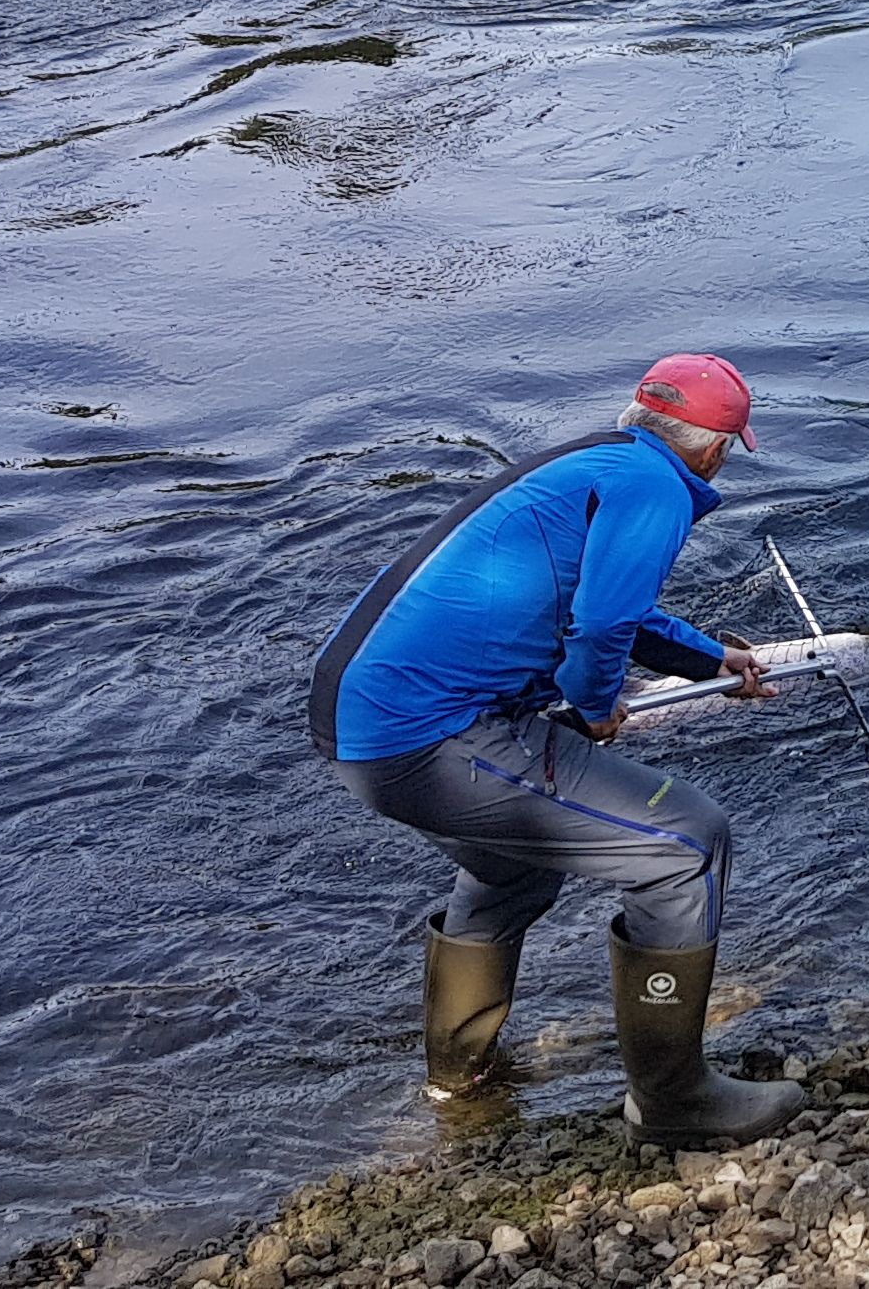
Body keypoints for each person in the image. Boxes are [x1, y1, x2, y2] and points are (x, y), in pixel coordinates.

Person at [307, 352, 807, 1149]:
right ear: (716, 450)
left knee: (513, 867)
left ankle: (457, 1082)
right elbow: (602, 626)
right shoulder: (655, 486)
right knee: (686, 845)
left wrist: (712, 661)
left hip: (355, 717)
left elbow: (607, 609)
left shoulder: (595, 464)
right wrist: (597, 703)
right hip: (426, 735)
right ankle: (674, 1102)